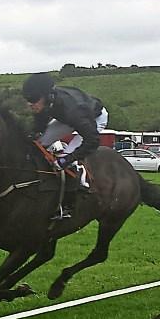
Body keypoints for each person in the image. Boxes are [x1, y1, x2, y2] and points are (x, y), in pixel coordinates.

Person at [22, 73, 108, 219]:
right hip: (67, 118)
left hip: (93, 120)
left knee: (65, 160)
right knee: (38, 144)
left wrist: (68, 159)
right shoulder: (47, 102)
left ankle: (69, 203)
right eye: (28, 100)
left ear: (47, 97)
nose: (30, 104)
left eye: (33, 100)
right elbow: (40, 124)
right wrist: (34, 134)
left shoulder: (74, 110)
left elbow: (92, 140)